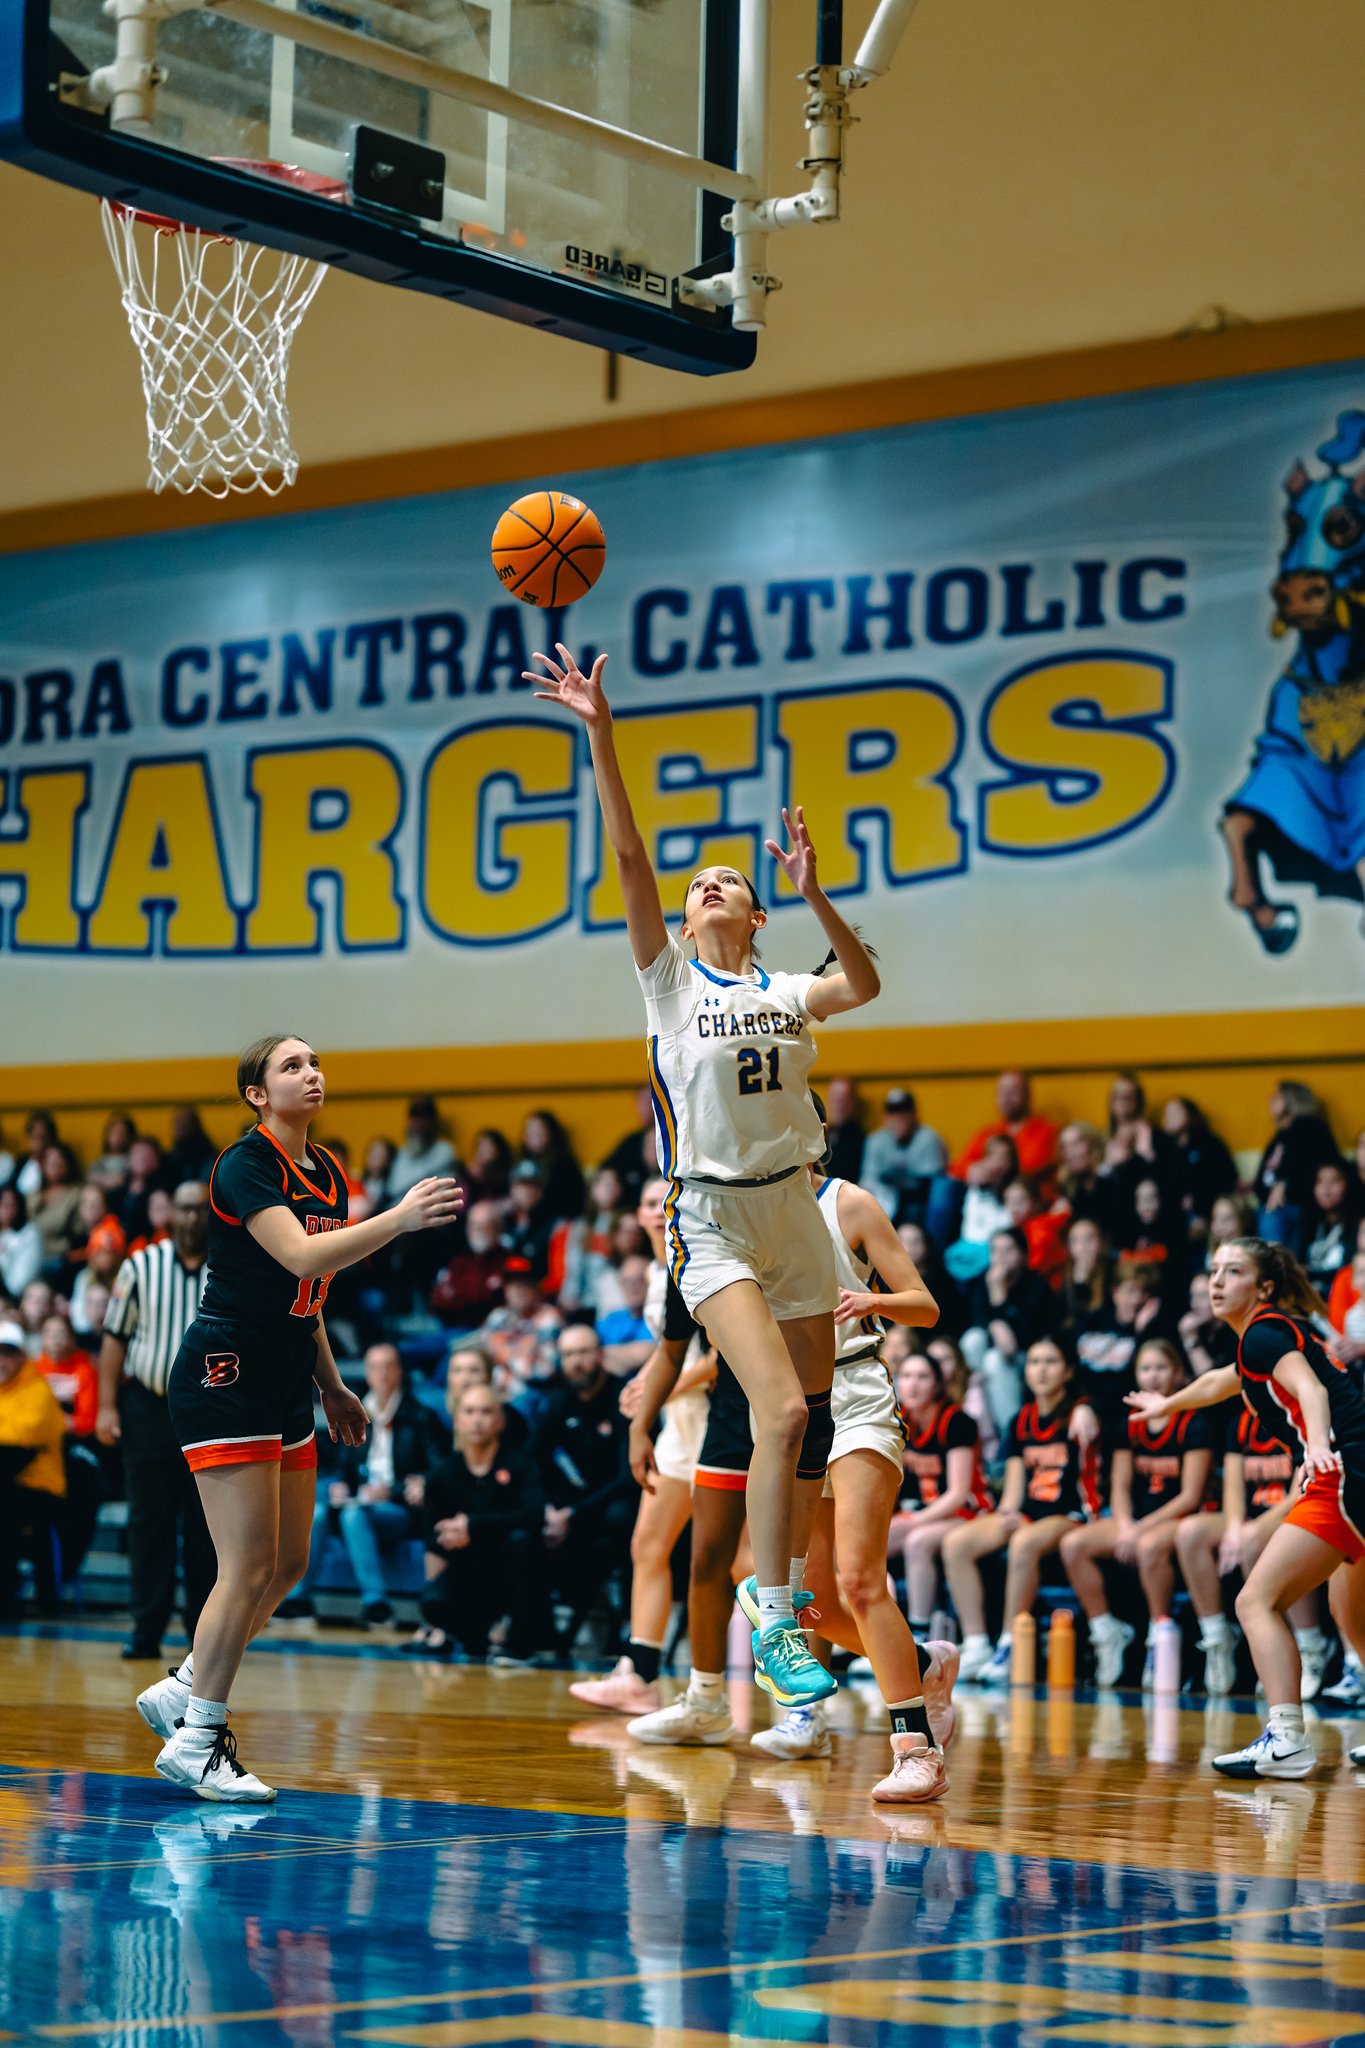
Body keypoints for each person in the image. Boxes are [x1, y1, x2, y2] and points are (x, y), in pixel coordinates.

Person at [528, 639, 880, 1709]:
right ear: (683, 922)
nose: (709, 882)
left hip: (796, 1211)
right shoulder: (671, 984)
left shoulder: (784, 983)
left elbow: (862, 981)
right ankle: (774, 1612)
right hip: (712, 1217)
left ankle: (787, 1596)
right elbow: (632, 858)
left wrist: (819, 896)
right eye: (699, 882)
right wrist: (601, 732)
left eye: (727, 877)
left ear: (755, 910)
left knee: (809, 1419)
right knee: (776, 1415)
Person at [136, 1033, 461, 1803]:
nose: (310, 1074)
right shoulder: (244, 1163)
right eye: (291, 1066)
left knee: (287, 1566)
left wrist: (334, 1385)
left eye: (314, 1062)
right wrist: (400, 1218)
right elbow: (305, 1259)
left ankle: (186, 1685)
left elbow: (311, 1299)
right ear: (257, 1093)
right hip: (228, 1372)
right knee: (244, 1567)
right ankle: (200, 1738)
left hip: (288, 1373)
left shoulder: (328, 1172)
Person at [746, 1134, 949, 1800]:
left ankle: (915, 1748)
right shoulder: (750, 1216)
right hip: (789, 1405)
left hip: (859, 1393)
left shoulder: (848, 1202)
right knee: (809, 1603)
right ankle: (921, 1664)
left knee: (863, 1580)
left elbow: (924, 1303)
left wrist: (874, 1301)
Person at [1127, 1238, 1365, 1778]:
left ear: (1263, 1287)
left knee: (1256, 1601)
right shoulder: (1268, 1335)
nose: (1216, 1281)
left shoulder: (1263, 1332)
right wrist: (1169, 1402)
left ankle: (1286, 1739)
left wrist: (1320, 1447)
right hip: (1354, 1466)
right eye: (1213, 1270)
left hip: (1344, 1470)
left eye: (1233, 1272)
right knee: (1350, 1611)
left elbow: (1309, 1389)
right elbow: (1221, 1381)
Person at [569, 1179, 713, 1716]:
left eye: (667, 1200)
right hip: (680, 1428)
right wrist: (652, 1378)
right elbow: (674, 1348)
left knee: (745, 1563)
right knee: (647, 1547)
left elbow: (720, 1357)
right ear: (638, 1214)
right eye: (651, 1203)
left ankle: (832, 1649)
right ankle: (640, 1674)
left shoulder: (698, 1258)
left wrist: (659, 1388)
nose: (659, 1210)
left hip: (719, 1426)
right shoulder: (658, 1271)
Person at [95, 1181, 214, 1661]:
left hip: (211, 1413)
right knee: (149, 1527)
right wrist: (105, 1406)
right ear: (170, 1215)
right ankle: (145, 1630)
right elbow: (114, 1339)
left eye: (200, 1210)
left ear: (213, 1215)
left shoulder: (232, 1267)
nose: (191, 1218)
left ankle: (201, 1644)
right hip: (148, 1407)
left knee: (208, 1531)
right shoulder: (141, 1266)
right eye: (183, 1209)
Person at [945, 1334, 1100, 1684]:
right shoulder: (1020, 1420)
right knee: (957, 1543)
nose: (1041, 1370)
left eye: (1050, 1362)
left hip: (1074, 1515)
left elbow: (1105, 1409)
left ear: (1068, 1371)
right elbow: (1014, 1486)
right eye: (1034, 1362)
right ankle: (976, 1642)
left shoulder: (1080, 1413)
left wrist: (1089, 1408)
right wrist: (1008, 1512)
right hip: (1032, 1514)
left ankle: (1011, 1643)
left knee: (1024, 1542)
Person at [1059, 1339, 1216, 1687]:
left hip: (1180, 1517)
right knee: (1074, 1545)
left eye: (1161, 1368)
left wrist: (1139, 1528)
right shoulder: (1130, 1423)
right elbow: (1120, 1485)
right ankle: (1107, 1631)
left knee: (1148, 1547)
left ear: (1177, 1374)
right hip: (1140, 1518)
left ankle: (1159, 1634)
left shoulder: (1193, 1423)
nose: (1154, 1376)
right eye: (1146, 1368)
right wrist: (1126, 1523)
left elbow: (1190, 1495)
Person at [281, 1343, 443, 1624]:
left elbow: (438, 1471)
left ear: (400, 1372)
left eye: (388, 1366)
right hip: (359, 1502)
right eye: (375, 1367)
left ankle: (376, 1603)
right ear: (367, 1373)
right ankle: (298, 1598)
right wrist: (342, 1486)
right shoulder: (355, 1413)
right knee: (319, 1513)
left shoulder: (420, 1417)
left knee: (354, 1515)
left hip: (399, 1508)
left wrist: (393, 1490)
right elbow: (345, 1467)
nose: (381, 1373)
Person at [411, 1382, 552, 1662]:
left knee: (523, 1542)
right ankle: (476, 1637)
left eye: (486, 1412)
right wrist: (448, 1539)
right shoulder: (442, 1475)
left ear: (500, 1421)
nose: (477, 1420)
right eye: (470, 1411)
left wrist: (473, 1525)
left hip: (511, 1569)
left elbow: (535, 1516)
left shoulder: (520, 1465)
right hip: (469, 1569)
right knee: (433, 1602)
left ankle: (518, 1645)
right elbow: (433, 1537)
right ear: (458, 1421)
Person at [1175, 1403, 1304, 1698]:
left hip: (1291, 1514)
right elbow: (1232, 1489)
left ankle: (1296, 1648)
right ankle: (1216, 1637)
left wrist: (1253, 1529)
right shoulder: (1241, 1423)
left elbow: (1300, 1493)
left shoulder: (1300, 1416)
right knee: (1190, 1533)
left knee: (1257, 1540)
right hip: (1250, 1520)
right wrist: (1233, 1527)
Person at [529, 1321, 636, 1659]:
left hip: (617, 1501)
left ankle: (626, 1626)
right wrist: (550, 1508)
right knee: (527, 1524)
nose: (576, 1361)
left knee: (618, 1521)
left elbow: (627, 1476)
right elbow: (532, 1460)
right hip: (574, 1504)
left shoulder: (624, 1398)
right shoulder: (559, 1403)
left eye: (583, 1352)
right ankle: (535, 1630)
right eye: (568, 1354)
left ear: (600, 1355)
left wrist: (573, 1514)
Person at [889, 1350, 994, 1636]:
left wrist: (914, 1521)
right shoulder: (898, 1420)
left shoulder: (957, 1421)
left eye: (922, 1377)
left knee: (918, 1541)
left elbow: (959, 1493)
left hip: (967, 1511)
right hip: (923, 1510)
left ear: (937, 1384)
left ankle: (919, 1633)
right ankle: (873, 1631)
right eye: (907, 1376)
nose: (912, 1385)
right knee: (868, 1542)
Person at [926, 1070, 1058, 1249]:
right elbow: (957, 1168)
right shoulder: (988, 1134)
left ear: (1027, 1095)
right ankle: (932, 1257)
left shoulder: (1044, 1131)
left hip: (1022, 1198)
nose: (1006, 1097)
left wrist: (992, 1167)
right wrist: (971, 1171)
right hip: (988, 1198)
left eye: (1013, 1091)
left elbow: (1030, 1167)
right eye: (1002, 1092)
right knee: (944, 1185)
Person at [959, 1225, 1058, 1435]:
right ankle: (979, 1411)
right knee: (972, 1339)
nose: (1001, 1257)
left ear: (1023, 1254)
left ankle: (1011, 1434)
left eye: (1008, 1250)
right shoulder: (982, 1282)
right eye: (995, 1250)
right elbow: (976, 1321)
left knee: (994, 1360)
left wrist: (999, 1297)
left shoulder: (1037, 1287)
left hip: (1026, 1360)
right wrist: (996, 1322)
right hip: (986, 1367)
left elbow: (1016, 1342)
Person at [0, 1320, 66, 1617]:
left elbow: (25, 1435)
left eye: (9, 1353)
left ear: (21, 1356)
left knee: (5, 1508)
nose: (3, 1360)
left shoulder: (37, 1388)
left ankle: (7, 1595)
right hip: (11, 1482)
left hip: (39, 1487)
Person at [1252, 1082, 1339, 1249]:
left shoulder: (1309, 1129)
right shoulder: (1280, 1135)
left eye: (1277, 1097)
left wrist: (1286, 1184)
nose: (1270, 1100)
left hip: (1298, 1206)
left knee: (1271, 1220)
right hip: (1271, 1207)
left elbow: (1318, 1169)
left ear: (1293, 1100)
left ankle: (1276, 1270)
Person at [860, 1088, 947, 1228]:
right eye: (892, 1113)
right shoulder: (875, 1140)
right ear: (885, 1117)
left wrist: (891, 1178)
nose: (898, 1118)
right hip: (883, 1200)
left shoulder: (928, 1138)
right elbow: (868, 1182)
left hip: (917, 1203)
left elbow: (928, 1183)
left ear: (913, 1115)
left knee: (915, 1209)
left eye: (903, 1112)